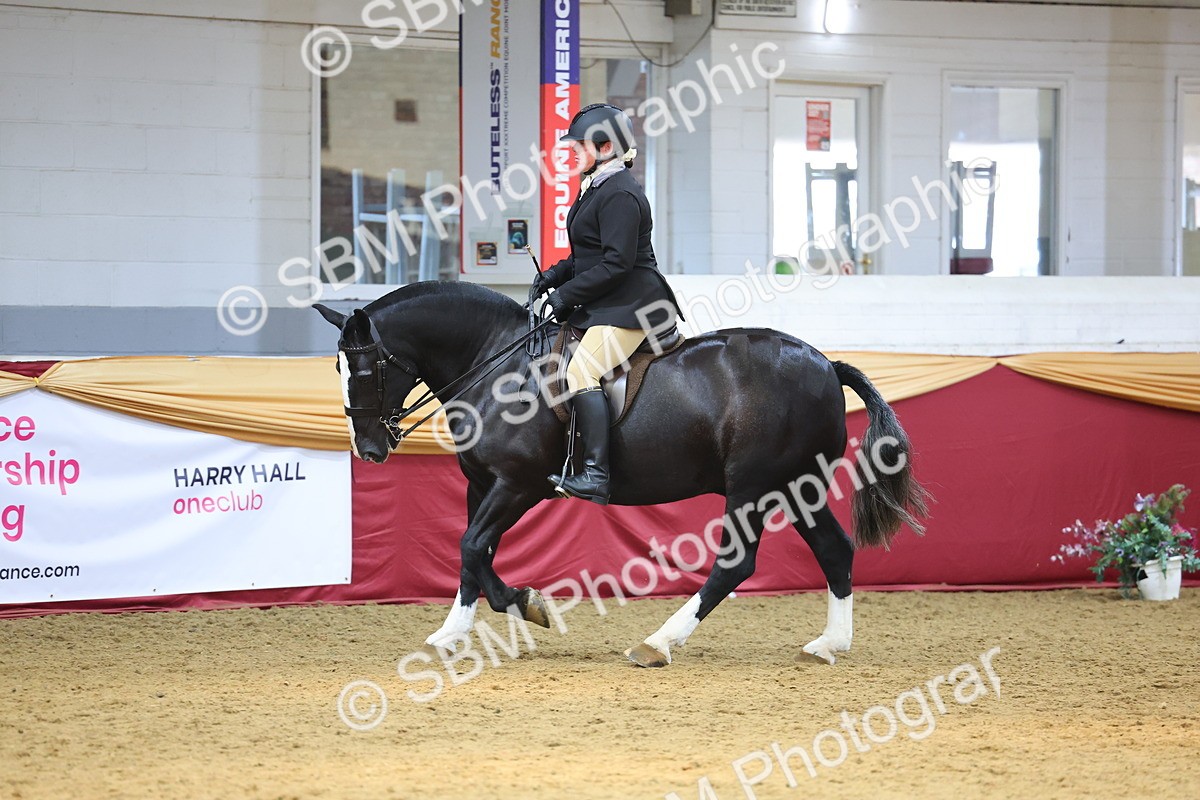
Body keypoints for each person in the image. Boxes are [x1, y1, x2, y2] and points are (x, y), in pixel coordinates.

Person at [531, 103, 682, 505]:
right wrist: (554, 275)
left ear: (604, 146)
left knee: (581, 372)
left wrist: (566, 296)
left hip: (634, 304)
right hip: (610, 299)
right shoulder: (597, 186)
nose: (572, 152)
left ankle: (596, 474)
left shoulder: (620, 194)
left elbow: (617, 264)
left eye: (578, 145)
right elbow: (589, 255)